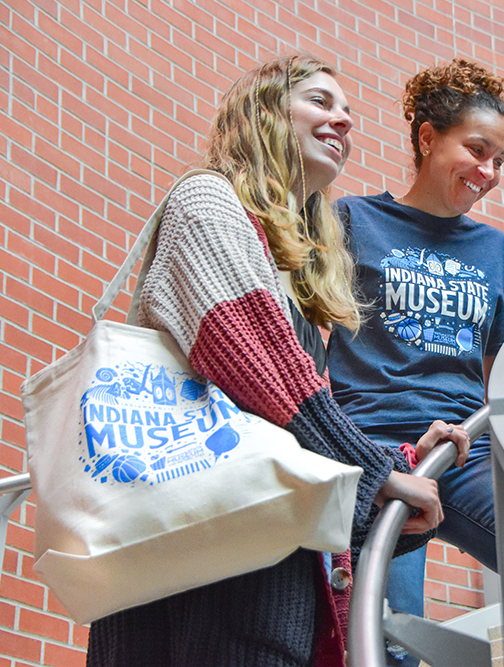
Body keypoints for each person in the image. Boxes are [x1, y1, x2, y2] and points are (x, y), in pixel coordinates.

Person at [85, 55, 469, 667]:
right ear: (263, 113)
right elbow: (249, 355)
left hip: (269, 606)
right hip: (193, 606)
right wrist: (373, 470)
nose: (342, 121)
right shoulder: (206, 202)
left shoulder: (290, 283)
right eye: (321, 102)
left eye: (347, 112)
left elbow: (288, 457)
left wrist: (399, 468)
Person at [327, 58, 504, 665]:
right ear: (427, 137)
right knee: (390, 640)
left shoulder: (494, 250)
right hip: (374, 451)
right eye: (478, 150)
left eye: (500, 161)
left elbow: (503, 372)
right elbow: (303, 340)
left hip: (464, 449)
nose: (488, 172)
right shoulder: (352, 220)